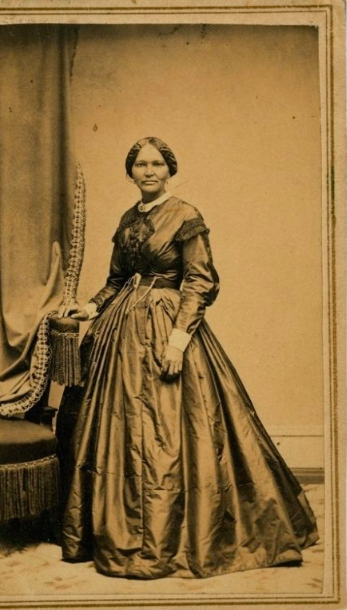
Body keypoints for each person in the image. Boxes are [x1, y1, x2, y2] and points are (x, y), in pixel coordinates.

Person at [56, 136, 318, 580]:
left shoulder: (186, 216)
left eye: (158, 163)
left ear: (169, 169)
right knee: (117, 429)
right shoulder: (127, 218)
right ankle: (113, 531)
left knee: (173, 432)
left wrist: (177, 340)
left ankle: (174, 536)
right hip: (120, 334)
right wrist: (91, 308)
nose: (149, 171)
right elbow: (117, 278)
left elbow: (199, 281)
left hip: (167, 326)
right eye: (140, 164)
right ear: (131, 172)